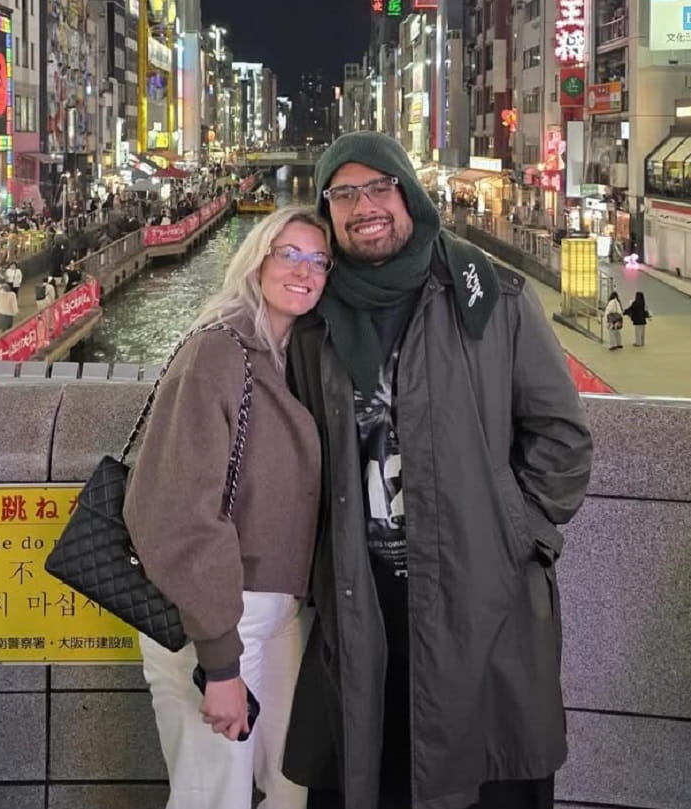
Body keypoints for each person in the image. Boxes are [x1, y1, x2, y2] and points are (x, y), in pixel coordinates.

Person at [283, 131, 593, 809]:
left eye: (379, 187)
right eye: (344, 194)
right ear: (327, 210)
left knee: (486, 779)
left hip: (481, 603)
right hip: (361, 605)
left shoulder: (490, 297)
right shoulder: (311, 318)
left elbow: (562, 439)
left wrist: (512, 536)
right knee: (369, 772)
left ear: (410, 195)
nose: (364, 206)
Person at [123, 207, 333, 809]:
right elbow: (178, 513)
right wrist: (219, 665)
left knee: (293, 788)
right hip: (212, 618)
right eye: (288, 254)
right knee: (214, 796)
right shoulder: (219, 351)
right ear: (257, 260)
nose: (304, 271)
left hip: (280, 612)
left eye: (319, 261)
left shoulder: (292, 357)